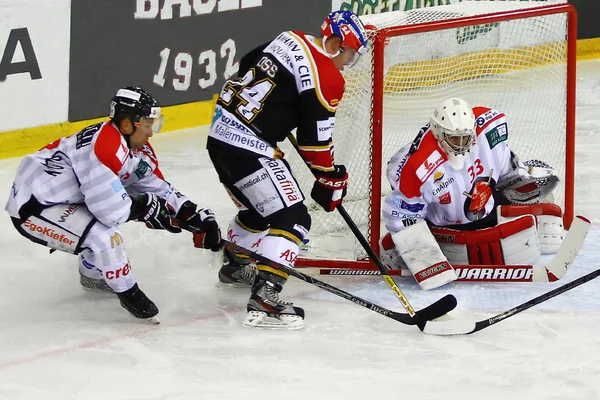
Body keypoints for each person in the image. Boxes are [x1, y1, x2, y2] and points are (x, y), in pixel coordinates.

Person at [206, 10, 369, 330]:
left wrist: (278, 110)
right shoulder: (329, 78)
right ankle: (266, 296)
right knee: (294, 217)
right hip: (248, 146)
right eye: (350, 52)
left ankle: (236, 265)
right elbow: (315, 145)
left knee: (260, 210)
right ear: (335, 42)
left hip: (218, 136)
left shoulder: (290, 37)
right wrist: (331, 176)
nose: (350, 61)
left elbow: (245, 65)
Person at [5, 86, 221, 323]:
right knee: (106, 238)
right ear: (128, 124)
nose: (152, 132)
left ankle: (92, 276)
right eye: (148, 124)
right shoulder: (105, 148)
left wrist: (193, 214)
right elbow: (110, 212)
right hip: (36, 207)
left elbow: (155, 187)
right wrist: (144, 207)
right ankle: (129, 295)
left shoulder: (132, 147)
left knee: (104, 218)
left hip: (68, 195)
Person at [380, 98, 563, 290]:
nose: (460, 145)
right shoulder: (419, 168)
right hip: (445, 230)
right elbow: (402, 215)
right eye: (454, 139)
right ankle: (392, 247)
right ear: (438, 133)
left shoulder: (489, 130)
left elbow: (503, 163)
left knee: (542, 228)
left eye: (465, 138)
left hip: (485, 210)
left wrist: (519, 176)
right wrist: (422, 259)